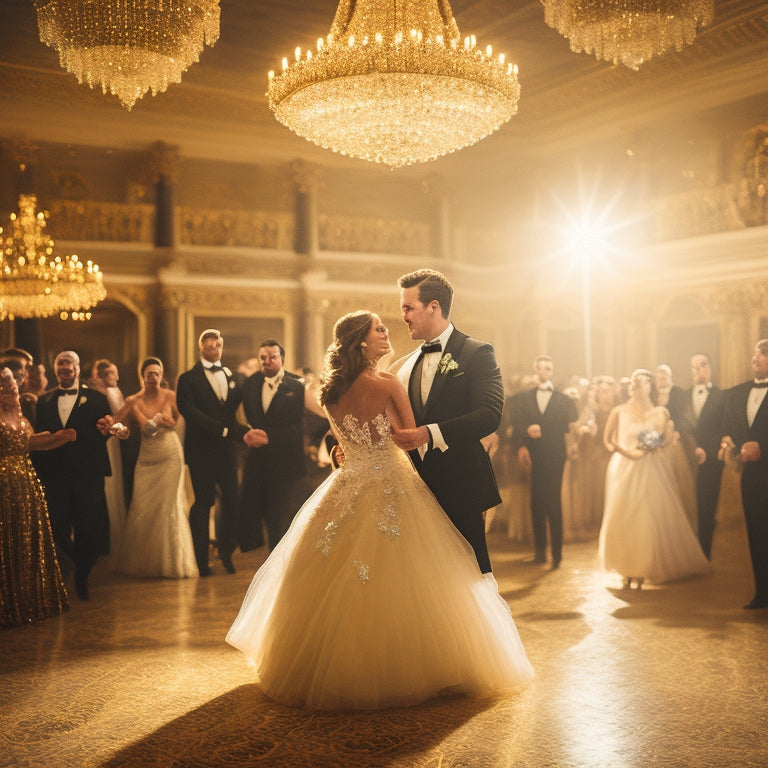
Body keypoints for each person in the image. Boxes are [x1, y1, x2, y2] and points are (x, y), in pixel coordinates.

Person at [227, 311, 533, 710]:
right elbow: (409, 440)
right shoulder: (387, 383)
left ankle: (320, 664)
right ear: (362, 343)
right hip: (391, 481)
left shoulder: (329, 391)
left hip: (347, 482)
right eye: (380, 330)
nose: (388, 332)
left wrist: (351, 450)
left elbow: (344, 439)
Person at [389, 268, 504, 575]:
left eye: (408, 307)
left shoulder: (477, 353)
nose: (403, 316)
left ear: (434, 307)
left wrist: (430, 434)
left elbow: (490, 414)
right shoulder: (405, 363)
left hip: (462, 484)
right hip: (414, 489)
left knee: (471, 578)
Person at [30, 351, 128, 600]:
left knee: (88, 528)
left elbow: (106, 429)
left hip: (88, 474)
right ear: (56, 370)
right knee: (58, 528)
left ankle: (83, 576)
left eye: (69, 364)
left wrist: (111, 429)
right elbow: (39, 436)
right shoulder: (44, 401)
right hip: (55, 475)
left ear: (76, 368)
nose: (65, 368)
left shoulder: (96, 398)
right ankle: (76, 561)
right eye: (60, 364)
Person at [598, 369, 709, 589]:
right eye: (633, 384)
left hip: (651, 468)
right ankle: (626, 567)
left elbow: (666, 441)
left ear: (650, 386)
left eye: (641, 383)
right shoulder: (619, 411)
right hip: (624, 468)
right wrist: (622, 451)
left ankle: (643, 567)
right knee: (623, 515)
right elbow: (607, 440)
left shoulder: (660, 413)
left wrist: (656, 444)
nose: (636, 387)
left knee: (647, 515)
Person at [0, 367, 74, 628]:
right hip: (3, 486)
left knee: (24, 541)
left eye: (11, 383)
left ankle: (29, 601)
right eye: (3, 384)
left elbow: (29, 442)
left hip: (26, 485)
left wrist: (59, 438)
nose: (9, 387)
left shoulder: (20, 414)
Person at [112, 358, 198, 578]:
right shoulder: (133, 400)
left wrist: (166, 421)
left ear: (161, 376)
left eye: (156, 374)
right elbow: (117, 422)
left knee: (168, 506)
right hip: (146, 458)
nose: (153, 378)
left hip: (170, 455)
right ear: (143, 376)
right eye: (149, 374)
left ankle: (173, 563)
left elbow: (182, 419)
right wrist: (118, 429)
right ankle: (144, 562)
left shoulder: (171, 397)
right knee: (142, 505)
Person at [239, 341, 326, 552]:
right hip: (258, 460)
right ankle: (271, 557)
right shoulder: (250, 383)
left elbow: (322, 412)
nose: (267, 361)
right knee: (260, 512)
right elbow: (237, 416)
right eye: (263, 358)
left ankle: (282, 557)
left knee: (282, 513)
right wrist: (244, 433)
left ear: (282, 359)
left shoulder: (297, 384)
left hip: (287, 460)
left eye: (273, 357)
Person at [176, 329, 250, 576]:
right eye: (209, 345)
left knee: (231, 500)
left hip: (227, 452)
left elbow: (233, 414)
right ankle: (200, 560)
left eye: (217, 344)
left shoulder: (232, 376)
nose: (214, 348)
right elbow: (188, 411)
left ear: (221, 346)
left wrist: (245, 433)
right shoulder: (187, 379)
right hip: (201, 452)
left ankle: (227, 552)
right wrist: (222, 430)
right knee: (203, 503)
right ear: (201, 348)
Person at [510, 355, 577, 569]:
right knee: (535, 502)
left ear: (552, 370)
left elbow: (567, 425)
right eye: (541, 367)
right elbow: (517, 424)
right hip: (533, 455)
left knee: (553, 501)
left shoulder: (563, 399)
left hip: (555, 454)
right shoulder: (523, 398)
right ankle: (540, 552)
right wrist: (523, 439)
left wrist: (543, 430)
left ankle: (556, 554)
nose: (544, 370)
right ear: (535, 369)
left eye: (548, 367)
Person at [720, 340, 768, 609]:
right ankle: (763, 593)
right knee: (757, 532)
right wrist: (729, 444)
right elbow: (730, 428)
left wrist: (764, 449)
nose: (756, 358)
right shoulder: (737, 393)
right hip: (750, 477)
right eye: (755, 354)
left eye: (763, 355)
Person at [679, 353, 726, 559]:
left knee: (707, 506)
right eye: (694, 367)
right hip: (687, 458)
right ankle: (686, 552)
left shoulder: (722, 396)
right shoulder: (683, 396)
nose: (699, 370)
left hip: (712, 459)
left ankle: (704, 553)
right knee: (686, 504)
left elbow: (723, 426)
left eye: (703, 365)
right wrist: (693, 447)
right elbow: (682, 424)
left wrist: (707, 449)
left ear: (710, 368)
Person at [89, 359, 128, 557]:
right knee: (110, 485)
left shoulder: (113, 391)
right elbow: (118, 418)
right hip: (110, 439)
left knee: (114, 484)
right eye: (113, 373)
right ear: (104, 376)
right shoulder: (109, 394)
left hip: (115, 440)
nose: (117, 377)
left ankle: (112, 534)